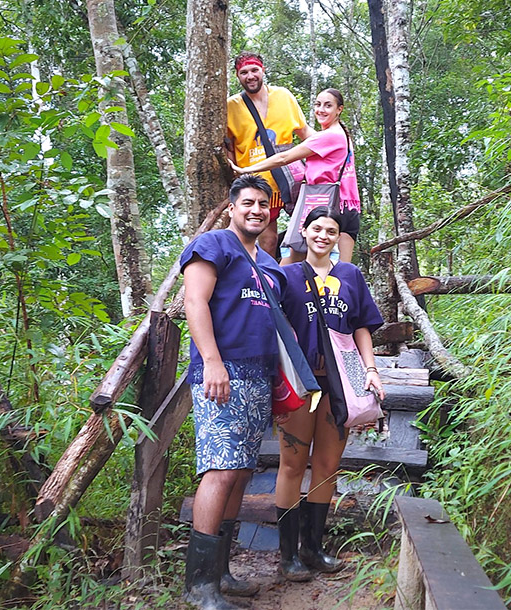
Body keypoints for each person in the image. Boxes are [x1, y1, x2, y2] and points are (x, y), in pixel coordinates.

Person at [179, 174, 287, 609]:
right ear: (232, 207)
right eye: (248, 203)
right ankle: (199, 586)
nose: (256, 210)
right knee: (220, 470)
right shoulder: (212, 246)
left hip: (258, 378)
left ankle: (220, 572)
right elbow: (194, 302)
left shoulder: (271, 264)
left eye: (263, 204)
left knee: (241, 473)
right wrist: (212, 360)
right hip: (219, 376)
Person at [272, 207, 385, 581]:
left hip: (340, 384)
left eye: (331, 231)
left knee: (326, 465)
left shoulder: (350, 275)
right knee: (291, 464)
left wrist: (370, 370)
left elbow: (362, 327)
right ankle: (288, 555)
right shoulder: (285, 276)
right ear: (303, 232)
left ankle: (314, 547)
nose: (323, 235)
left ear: (339, 238)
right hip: (302, 384)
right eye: (317, 228)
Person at [229, 88, 362, 264]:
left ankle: (269, 289)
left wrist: (246, 170)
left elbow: (283, 157)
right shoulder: (344, 135)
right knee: (340, 269)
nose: (321, 110)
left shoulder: (328, 136)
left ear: (339, 109)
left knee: (291, 260)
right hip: (348, 206)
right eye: (318, 104)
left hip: (324, 203)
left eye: (328, 106)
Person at [226, 52, 315, 258]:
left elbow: (306, 133)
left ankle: (301, 283)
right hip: (257, 182)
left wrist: (334, 143)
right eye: (244, 72)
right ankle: (266, 282)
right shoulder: (231, 106)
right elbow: (229, 147)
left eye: (254, 70)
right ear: (237, 76)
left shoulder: (283, 96)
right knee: (268, 240)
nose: (250, 76)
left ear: (263, 70)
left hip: (291, 179)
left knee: (308, 232)